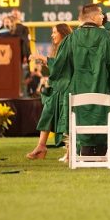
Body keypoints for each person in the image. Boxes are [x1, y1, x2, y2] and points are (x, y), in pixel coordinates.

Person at [66, 4, 110, 160]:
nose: (103, 17)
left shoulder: (71, 39)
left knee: (83, 119)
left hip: (79, 95)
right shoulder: (107, 38)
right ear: (91, 17)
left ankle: (85, 153)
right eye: (100, 14)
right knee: (104, 116)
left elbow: (60, 67)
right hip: (103, 92)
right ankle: (108, 154)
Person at [27, 23, 73, 160]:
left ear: (63, 33)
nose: (52, 35)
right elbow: (58, 66)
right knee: (47, 114)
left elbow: (61, 66)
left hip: (67, 88)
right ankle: (41, 147)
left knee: (66, 119)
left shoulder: (69, 46)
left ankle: (70, 152)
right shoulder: (61, 47)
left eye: (54, 32)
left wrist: (43, 58)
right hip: (57, 88)